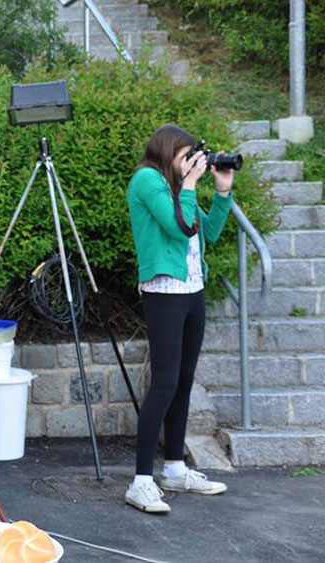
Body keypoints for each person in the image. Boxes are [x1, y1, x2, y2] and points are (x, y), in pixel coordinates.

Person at [125, 123, 233, 514]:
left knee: (184, 382)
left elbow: (208, 232)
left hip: (192, 292)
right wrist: (189, 185)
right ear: (167, 152)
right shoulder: (147, 181)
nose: (192, 163)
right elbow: (178, 227)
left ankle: (173, 468)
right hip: (164, 294)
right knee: (164, 383)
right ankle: (140, 481)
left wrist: (221, 191)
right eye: (186, 155)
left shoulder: (174, 186)